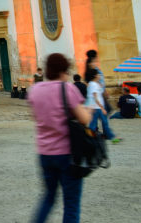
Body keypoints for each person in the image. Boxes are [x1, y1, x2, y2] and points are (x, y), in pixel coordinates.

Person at [27, 53, 91, 223]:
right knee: (71, 203)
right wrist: (89, 111)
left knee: (48, 198)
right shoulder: (67, 89)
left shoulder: (35, 90)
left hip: (45, 153)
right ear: (63, 70)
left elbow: (36, 116)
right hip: (67, 154)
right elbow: (84, 119)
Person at [86, 75, 120, 143]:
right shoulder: (93, 84)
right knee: (95, 124)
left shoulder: (95, 84)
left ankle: (111, 137)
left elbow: (99, 94)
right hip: (97, 107)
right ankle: (88, 138)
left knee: (103, 123)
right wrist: (102, 108)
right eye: (98, 75)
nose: (99, 76)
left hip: (97, 107)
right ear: (95, 76)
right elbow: (95, 97)